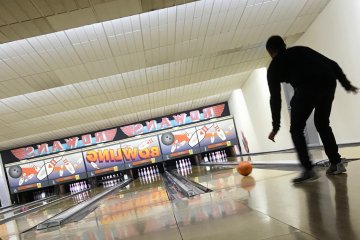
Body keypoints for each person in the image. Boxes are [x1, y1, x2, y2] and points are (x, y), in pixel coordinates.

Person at [265, 35, 358, 183]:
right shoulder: (302, 50)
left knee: (296, 129)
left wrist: (275, 127)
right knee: (322, 123)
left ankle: (308, 170)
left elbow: (275, 98)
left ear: (270, 52)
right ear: (284, 44)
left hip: (306, 88)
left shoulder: (273, 67)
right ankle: (336, 163)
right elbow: (332, 64)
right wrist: (346, 84)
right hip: (328, 83)